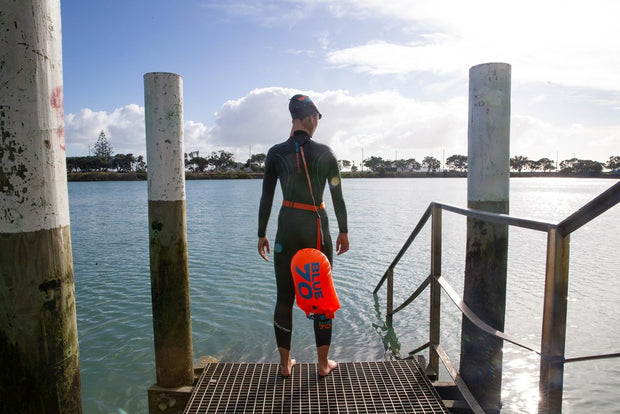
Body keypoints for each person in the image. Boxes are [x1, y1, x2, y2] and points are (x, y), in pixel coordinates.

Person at [257, 94, 349, 378]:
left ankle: (285, 366)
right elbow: (337, 197)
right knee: (321, 297)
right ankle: (323, 365)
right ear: (310, 117)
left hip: (286, 226)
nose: (317, 123)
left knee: (284, 298)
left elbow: (267, 196)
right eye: (317, 118)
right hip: (316, 228)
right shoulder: (325, 153)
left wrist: (261, 233)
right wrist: (344, 230)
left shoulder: (275, 153)